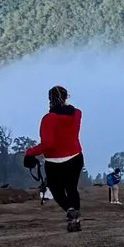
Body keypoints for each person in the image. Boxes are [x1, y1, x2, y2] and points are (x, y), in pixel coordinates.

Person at [22, 86, 85, 234]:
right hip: (75, 157)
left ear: (49, 100)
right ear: (66, 97)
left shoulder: (48, 119)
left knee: (56, 190)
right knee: (72, 189)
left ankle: (70, 210)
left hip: (55, 162)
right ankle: (75, 221)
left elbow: (48, 144)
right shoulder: (77, 114)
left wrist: (30, 153)